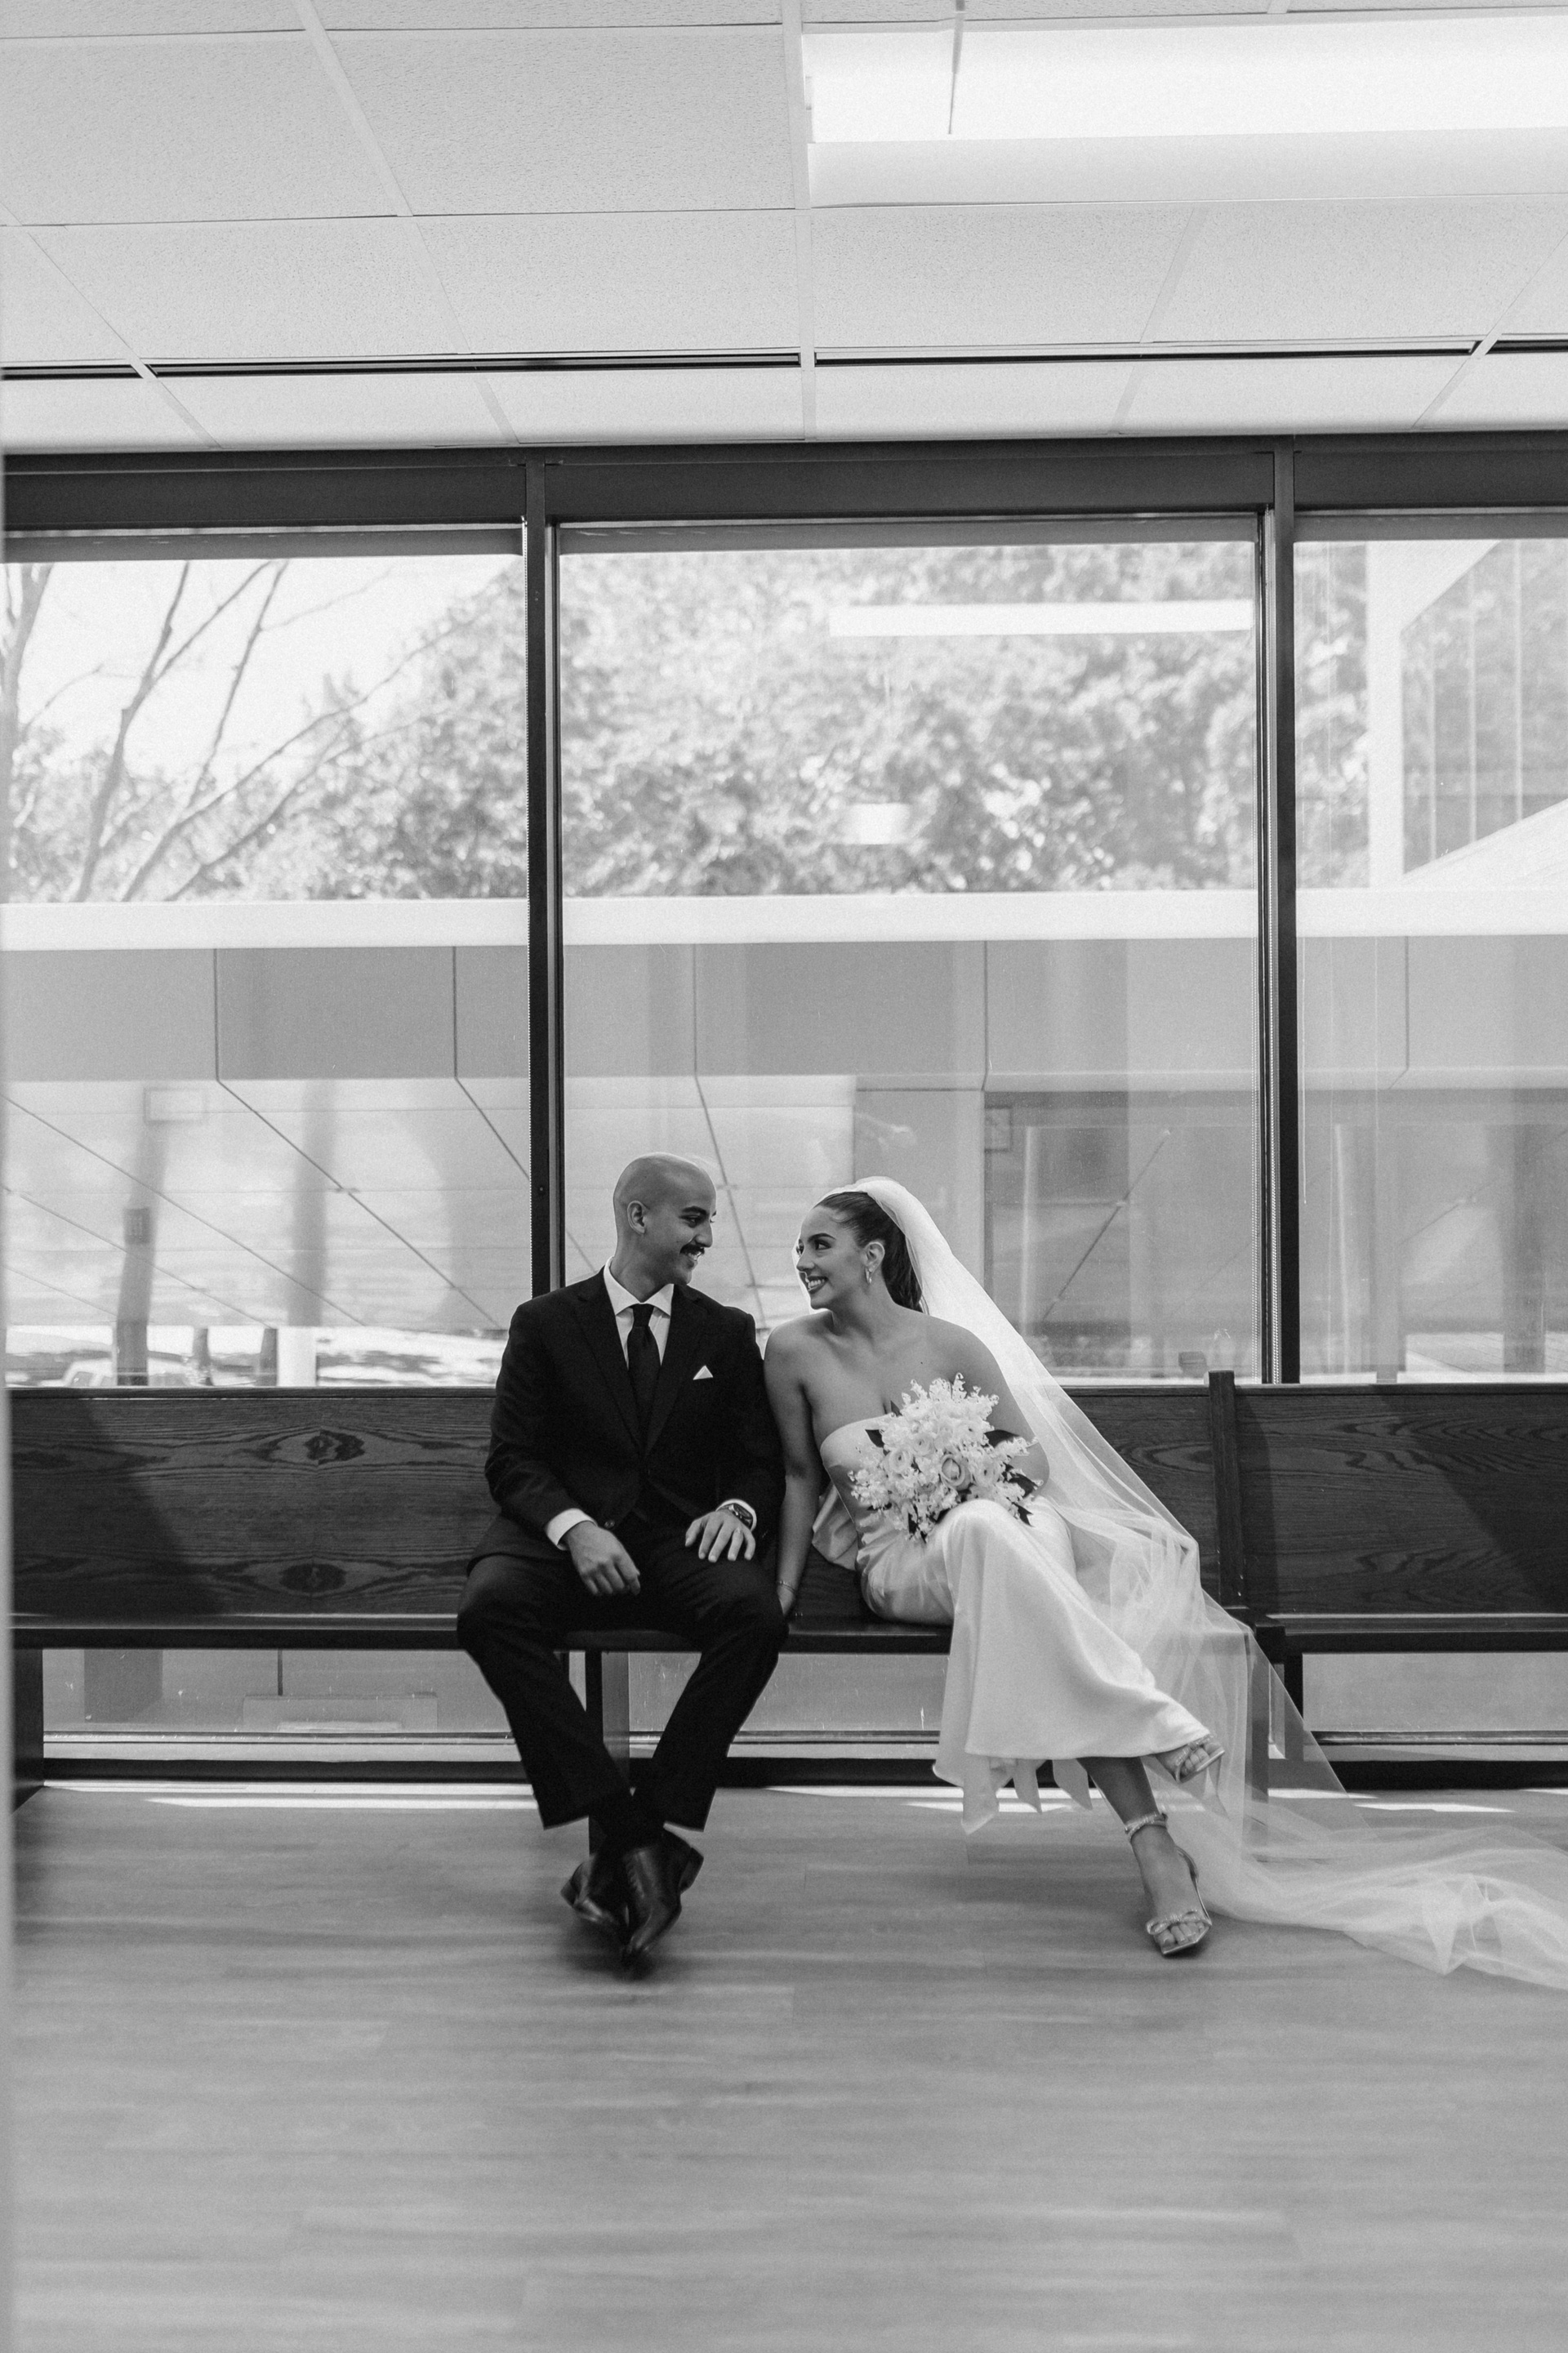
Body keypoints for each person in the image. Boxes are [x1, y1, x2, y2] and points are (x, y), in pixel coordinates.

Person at [766, 1179, 1568, 1988]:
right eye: (799, 1247)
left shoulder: (953, 1345)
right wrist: (785, 1591)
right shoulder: (795, 1351)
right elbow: (800, 1477)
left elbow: (1031, 1460)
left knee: (999, 1540)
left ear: (872, 1253)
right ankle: (1157, 1734)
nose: (803, 1260)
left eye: (819, 1243)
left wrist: (961, 1469)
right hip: (906, 1562)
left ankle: (1154, 1839)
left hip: (1012, 1527)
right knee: (989, 1542)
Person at [457, 1155, 785, 1964]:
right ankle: (634, 1833)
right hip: (560, 1544)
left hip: (677, 1541)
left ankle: (636, 1832)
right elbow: (512, 1460)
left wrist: (737, 1510)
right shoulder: (544, 1322)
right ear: (639, 1216)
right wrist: (574, 1527)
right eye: (694, 1219)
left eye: (709, 1220)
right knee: (489, 1608)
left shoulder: (725, 1331)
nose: (708, 1237)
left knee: (754, 1613)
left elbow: (758, 1462)